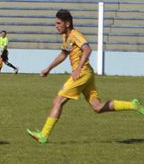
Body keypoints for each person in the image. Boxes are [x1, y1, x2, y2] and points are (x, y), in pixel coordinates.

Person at [27, 9, 144, 144]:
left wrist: (78, 68)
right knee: (97, 107)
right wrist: (48, 68)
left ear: (67, 23)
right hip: (86, 73)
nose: (56, 26)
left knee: (57, 101)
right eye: (56, 23)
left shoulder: (75, 34)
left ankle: (44, 135)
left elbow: (87, 49)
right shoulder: (66, 36)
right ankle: (133, 105)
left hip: (81, 74)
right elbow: (63, 55)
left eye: (59, 23)